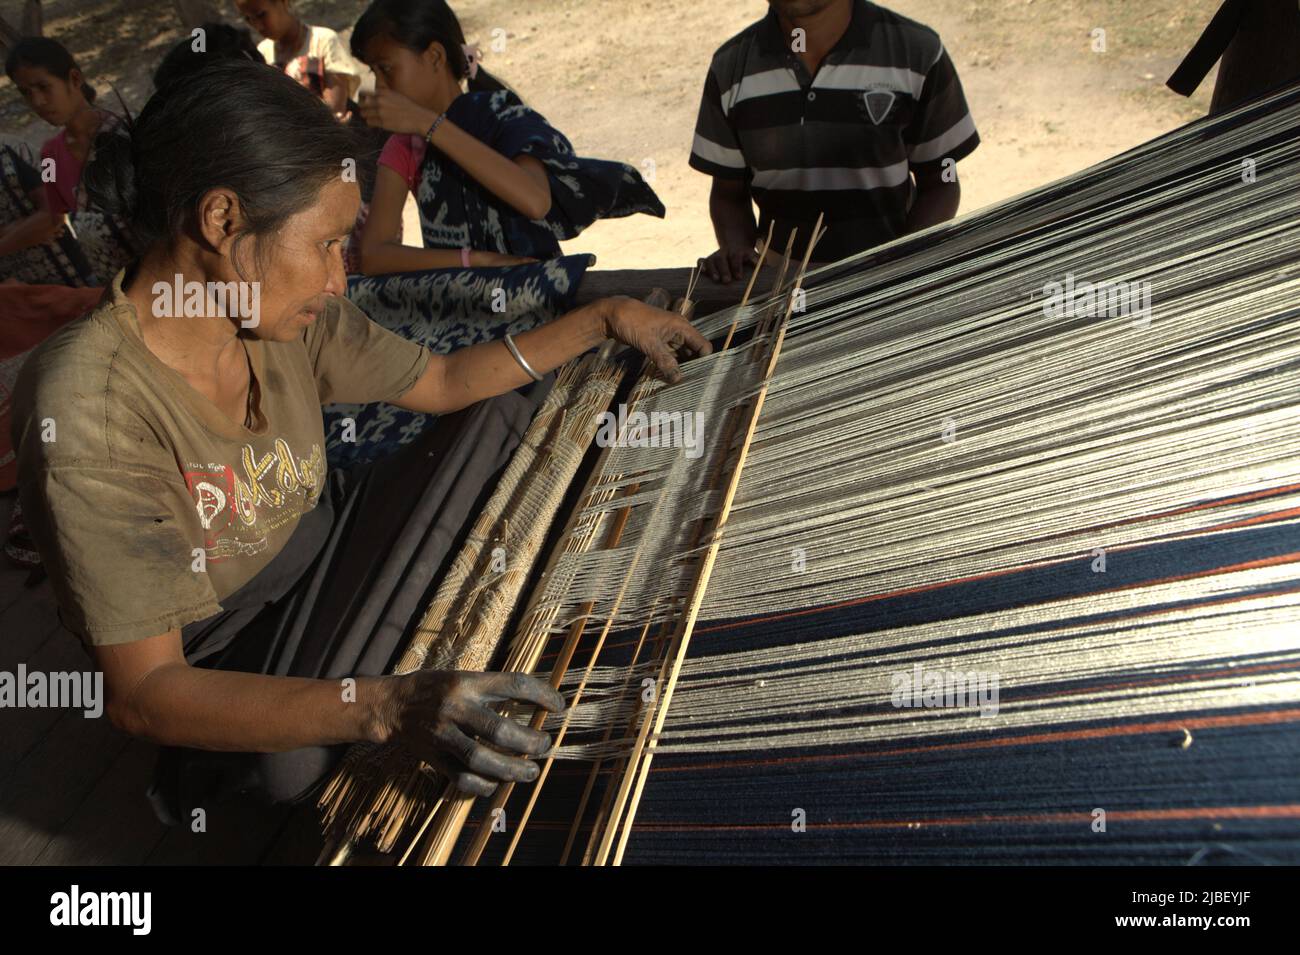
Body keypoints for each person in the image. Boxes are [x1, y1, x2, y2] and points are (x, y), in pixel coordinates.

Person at [12, 61, 710, 819]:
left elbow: (441, 383)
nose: (340, 279)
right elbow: (145, 693)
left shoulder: (270, 310)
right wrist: (382, 706)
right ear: (222, 222)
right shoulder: (89, 407)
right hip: (238, 641)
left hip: (336, 539)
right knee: (295, 765)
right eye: (325, 246)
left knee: (500, 414)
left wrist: (598, 321)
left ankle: (394, 644)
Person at [349, 0, 665, 275]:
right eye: (373, 73)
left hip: (531, 292)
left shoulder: (505, 119)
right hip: (461, 299)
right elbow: (374, 255)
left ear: (434, 56)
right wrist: (475, 261)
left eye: (386, 69)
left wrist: (431, 125)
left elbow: (535, 201)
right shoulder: (406, 145)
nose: (379, 87)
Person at [690, 0, 980, 280]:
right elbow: (729, 194)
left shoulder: (916, 54)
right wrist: (736, 248)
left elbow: (941, 180)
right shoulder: (730, 69)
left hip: (889, 286)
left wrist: (908, 257)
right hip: (780, 294)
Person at [3, 36, 135, 282]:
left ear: (74, 79)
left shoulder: (128, 130)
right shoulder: (50, 156)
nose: (37, 102)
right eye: (26, 93)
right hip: (118, 284)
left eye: (43, 87)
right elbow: (54, 218)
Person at [234, 0, 360, 119]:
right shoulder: (262, 52)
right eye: (248, 19)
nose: (258, 26)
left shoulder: (322, 40)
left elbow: (334, 110)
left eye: (261, 15)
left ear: (283, 2)